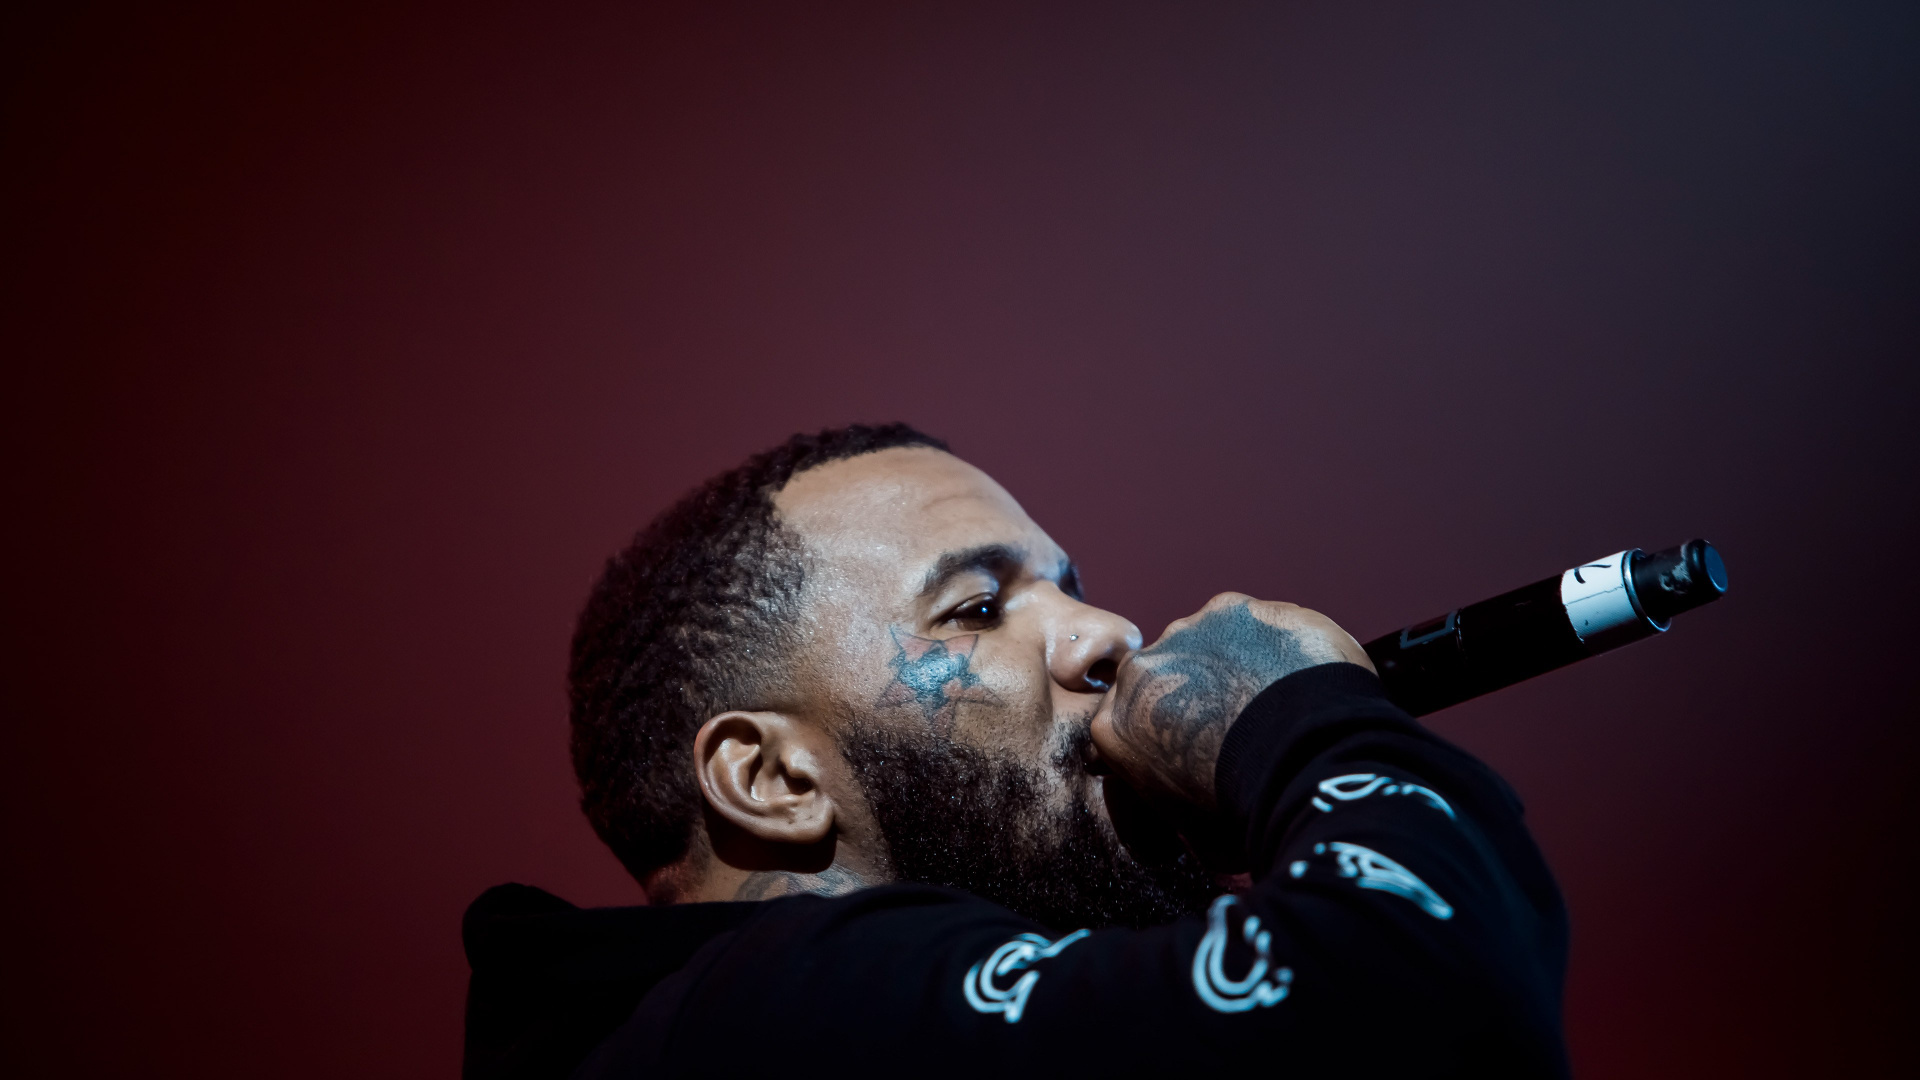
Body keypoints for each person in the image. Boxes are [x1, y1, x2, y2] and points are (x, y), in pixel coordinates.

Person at [461, 423, 1569, 1078]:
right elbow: (1427, 1006)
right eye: (979, 610)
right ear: (772, 779)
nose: (1110, 635)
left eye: (1070, 590)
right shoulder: (772, 1011)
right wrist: (1300, 722)